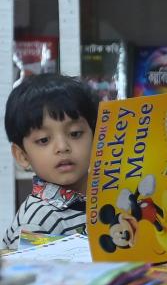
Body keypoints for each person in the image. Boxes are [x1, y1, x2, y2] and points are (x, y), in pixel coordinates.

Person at [2, 73, 99, 250]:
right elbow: (37, 277)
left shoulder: (108, 195)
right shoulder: (35, 223)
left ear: (96, 137)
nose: (62, 147)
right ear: (23, 156)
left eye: (75, 133)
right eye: (44, 140)